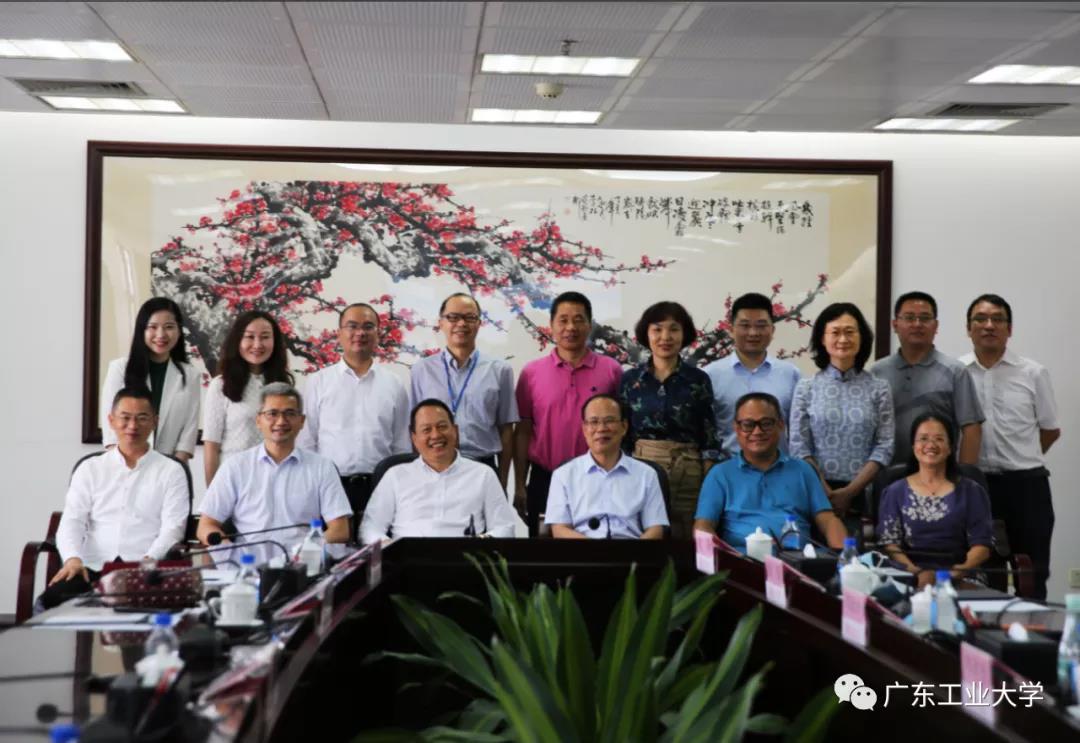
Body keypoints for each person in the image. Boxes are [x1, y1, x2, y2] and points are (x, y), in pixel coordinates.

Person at [43, 388, 189, 609]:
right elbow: (72, 521)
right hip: (91, 568)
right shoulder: (90, 468)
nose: (133, 426)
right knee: (53, 601)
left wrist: (149, 561)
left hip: (145, 568)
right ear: (111, 420)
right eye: (125, 417)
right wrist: (72, 559)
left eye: (142, 418)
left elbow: (173, 527)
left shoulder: (171, 470)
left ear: (155, 422)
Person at [960, 294, 1060, 599]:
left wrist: (1020, 457)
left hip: (1026, 487)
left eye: (998, 319)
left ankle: (1033, 628)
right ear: (969, 328)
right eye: (980, 319)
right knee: (982, 574)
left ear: (1010, 328)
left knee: (1032, 574)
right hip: (977, 486)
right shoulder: (957, 372)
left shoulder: (1033, 372)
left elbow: (1050, 430)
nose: (989, 325)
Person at [197, 383, 352, 558]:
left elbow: (340, 530)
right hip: (247, 564)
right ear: (258, 420)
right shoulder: (235, 467)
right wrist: (230, 553)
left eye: (290, 413)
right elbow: (205, 526)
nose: (281, 421)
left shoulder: (322, 467)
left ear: (301, 421)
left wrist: (306, 551)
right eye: (272, 414)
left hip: (302, 564)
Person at [514, 292, 622, 536]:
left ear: (590, 325)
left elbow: (622, 427)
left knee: (598, 549)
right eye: (563, 320)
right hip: (545, 478)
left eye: (578, 320)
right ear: (551, 325)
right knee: (543, 550)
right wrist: (520, 483)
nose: (571, 327)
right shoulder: (531, 373)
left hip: (598, 477)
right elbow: (523, 432)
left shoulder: (611, 370)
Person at [297, 303, 411, 521]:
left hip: (381, 486)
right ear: (339, 333)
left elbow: (401, 444)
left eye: (368, 327)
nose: (360, 333)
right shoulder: (318, 382)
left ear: (377, 333)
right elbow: (307, 441)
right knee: (335, 542)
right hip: (330, 486)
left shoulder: (394, 384)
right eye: (352, 326)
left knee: (380, 542)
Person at [694, 392, 847, 552]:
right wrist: (719, 557)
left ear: (781, 425)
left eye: (766, 423)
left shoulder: (803, 470)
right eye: (748, 425)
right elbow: (703, 526)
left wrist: (844, 556)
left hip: (797, 559)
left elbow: (827, 520)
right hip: (741, 560)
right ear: (737, 428)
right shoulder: (720, 474)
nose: (757, 431)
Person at [619, 301, 720, 539]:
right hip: (642, 466)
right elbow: (623, 433)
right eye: (657, 329)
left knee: (685, 537)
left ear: (684, 334)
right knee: (643, 532)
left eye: (674, 329)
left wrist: (707, 480)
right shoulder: (630, 380)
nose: (665, 337)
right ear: (646, 333)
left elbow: (708, 434)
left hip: (688, 469)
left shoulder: (698, 379)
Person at [360, 399, 518, 542]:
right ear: (414, 438)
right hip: (408, 559)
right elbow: (369, 529)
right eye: (426, 429)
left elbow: (505, 528)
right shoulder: (395, 476)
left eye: (442, 427)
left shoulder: (483, 474)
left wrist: (480, 543)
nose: (435, 435)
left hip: (465, 559)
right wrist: (391, 548)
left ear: (455, 431)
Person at [789, 303, 894, 518]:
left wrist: (850, 492)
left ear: (861, 337)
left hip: (865, 493)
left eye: (850, 332)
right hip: (815, 492)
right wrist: (825, 491)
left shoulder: (879, 388)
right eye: (835, 332)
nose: (843, 339)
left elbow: (885, 445)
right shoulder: (806, 388)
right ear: (822, 338)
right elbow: (799, 446)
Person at [409, 293, 518, 487]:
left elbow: (506, 430)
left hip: (483, 467)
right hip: (435, 467)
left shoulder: (499, 370)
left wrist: (502, 481)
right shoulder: (421, 370)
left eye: (470, 317)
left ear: (479, 323)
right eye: (453, 317)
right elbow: (414, 428)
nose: (461, 323)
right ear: (441, 323)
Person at [877, 413, 994, 588]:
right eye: (923, 439)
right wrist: (918, 573)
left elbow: (982, 545)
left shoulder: (971, 491)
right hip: (910, 575)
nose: (931, 445)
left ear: (950, 447)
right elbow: (890, 545)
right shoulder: (895, 492)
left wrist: (954, 573)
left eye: (939, 439)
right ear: (913, 446)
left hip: (962, 575)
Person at [871, 291, 983, 466]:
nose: (917, 324)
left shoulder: (956, 371)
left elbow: (971, 429)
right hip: (886, 473)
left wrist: (964, 476)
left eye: (924, 318)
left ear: (936, 325)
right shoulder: (877, 372)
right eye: (909, 318)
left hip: (939, 473)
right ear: (895, 325)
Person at [545, 394, 668, 539]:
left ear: (624, 427)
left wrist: (634, 552)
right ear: (584, 429)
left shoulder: (647, 474)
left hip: (632, 549)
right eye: (594, 422)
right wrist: (593, 550)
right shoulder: (563, 475)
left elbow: (655, 528)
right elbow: (559, 529)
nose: (601, 428)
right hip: (581, 550)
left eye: (609, 421)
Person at [100, 297, 200, 461]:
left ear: (179, 331)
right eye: (153, 327)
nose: (161, 334)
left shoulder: (190, 375)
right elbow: (110, 428)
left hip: (171, 466)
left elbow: (188, 433)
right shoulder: (119, 369)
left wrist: (173, 468)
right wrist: (124, 466)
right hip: (124, 465)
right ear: (142, 330)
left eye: (169, 327)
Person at [203, 310, 294, 486]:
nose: (257, 344)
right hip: (234, 480)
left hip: (276, 479)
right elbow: (211, 446)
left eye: (265, 337)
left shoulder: (285, 385)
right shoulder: (220, 385)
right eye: (250, 337)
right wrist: (212, 493)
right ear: (238, 340)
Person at [703, 292, 801, 454]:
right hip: (728, 467)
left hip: (780, 467)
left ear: (772, 330)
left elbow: (799, 432)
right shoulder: (710, 376)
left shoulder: (791, 375)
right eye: (745, 325)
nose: (753, 333)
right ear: (731, 329)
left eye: (761, 325)